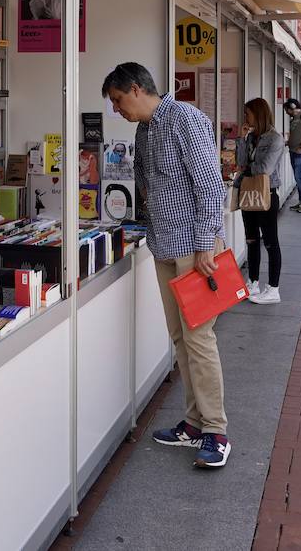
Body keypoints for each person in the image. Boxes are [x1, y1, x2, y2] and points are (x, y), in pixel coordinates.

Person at [102, 63, 231, 468]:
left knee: (199, 339)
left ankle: (216, 431)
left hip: (195, 248)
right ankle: (193, 423)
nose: (117, 110)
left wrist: (209, 239)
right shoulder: (144, 130)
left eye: (119, 101)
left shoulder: (185, 119)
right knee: (179, 338)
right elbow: (148, 185)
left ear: (137, 89)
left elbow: (210, 184)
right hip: (163, 245)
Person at [235, 98, 285, 304]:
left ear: (258, 114)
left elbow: (265, 168)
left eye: (248, 113)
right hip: (248, 192)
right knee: (251, 239)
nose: (245, 117)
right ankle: (253, 281)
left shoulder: (275, 139)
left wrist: (246, 170)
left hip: (267, 193)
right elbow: (240, 162)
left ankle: (273, 288)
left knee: (271, 241)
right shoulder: (251, 137)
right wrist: (241, 139)